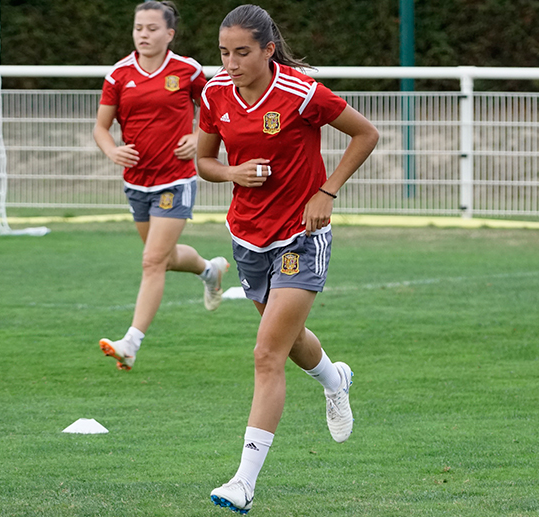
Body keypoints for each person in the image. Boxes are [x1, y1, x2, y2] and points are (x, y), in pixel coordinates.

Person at [197, 4, 380, 513]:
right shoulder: (215, 94)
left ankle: (243, 482)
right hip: (247, 237)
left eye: (242, 53)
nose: (230, 63)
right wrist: (232, 174)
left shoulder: (300, 93)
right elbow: (205, 162)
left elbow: (366, 134)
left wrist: (327, 191)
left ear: (268, 49)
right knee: (290, 340)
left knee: (266, 354)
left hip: (301, 236)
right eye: (223, 53)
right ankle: (334, 380)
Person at [93, 1, 229, 371]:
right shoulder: (119, 75)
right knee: (164, 259)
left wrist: (198, 135)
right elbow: (101, 128)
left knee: (152, 261)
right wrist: (113, 151)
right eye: (139, 28)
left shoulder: (188, 70)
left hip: (176, 179)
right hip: (137, 182)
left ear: (169, 34)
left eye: (152, 28)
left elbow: (219, 108)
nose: (144, 34)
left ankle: (130, 342)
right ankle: (209, 270)